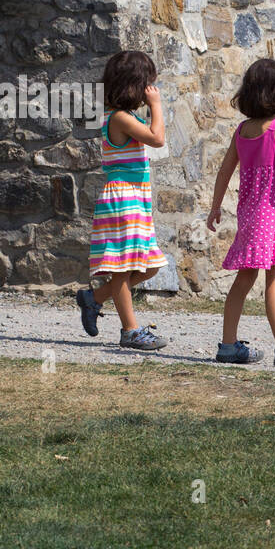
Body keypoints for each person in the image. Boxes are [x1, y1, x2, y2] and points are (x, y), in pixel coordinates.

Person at [206, 58, 275, 367]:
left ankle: (228, 345)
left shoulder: (242, 130)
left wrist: (215, 207)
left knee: (244, 280)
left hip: (250, 214)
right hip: (273, 214)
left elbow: (225, 169)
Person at [75, 51, 169, 351]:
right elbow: (157, 139)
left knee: (150, 265)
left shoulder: (129, 117)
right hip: (122, 197)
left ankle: (95, 298)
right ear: (135, 85)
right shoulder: (119, 117)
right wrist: (157, 106)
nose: (149, 91)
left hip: (135, 197)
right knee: (121, 267)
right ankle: (130, 330)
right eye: (146, 85)